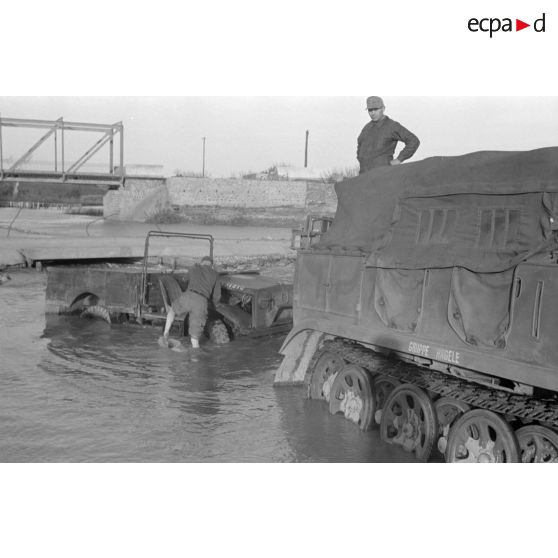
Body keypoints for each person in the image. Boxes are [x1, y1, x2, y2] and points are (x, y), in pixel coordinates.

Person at [162, 255, 221, 348]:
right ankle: (195, 358)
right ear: (212, 265)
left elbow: (184, 279)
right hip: (201, 301)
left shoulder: (194, 268)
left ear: (202, 262)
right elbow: (217, 296)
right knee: (195, 337)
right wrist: (214, 306)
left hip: (189, 296)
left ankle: (165, 334)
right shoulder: (215, 274)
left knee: (172, 310)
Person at [357, 96, 420, 173]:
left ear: (383, 109)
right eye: (370, 110)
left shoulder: (392, 126)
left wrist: (399, 159)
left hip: (383, 175)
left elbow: (413, 141)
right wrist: (361, 159)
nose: (373, 113)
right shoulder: (366, 128)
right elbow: (359, 146)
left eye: (376, 109)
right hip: (364, 174)